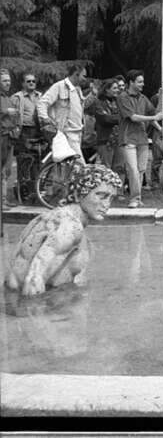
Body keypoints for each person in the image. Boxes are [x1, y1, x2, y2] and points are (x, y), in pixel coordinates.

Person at [4, 164, 123, 296]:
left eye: (111, 198)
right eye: (101, 196)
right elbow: (33, 280)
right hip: (33, 306)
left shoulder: (57, 216)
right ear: (78, 194)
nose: (106, 204)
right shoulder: (70, 227)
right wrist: (36, 313)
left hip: (18, 298)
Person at [117, 69, 163, 208]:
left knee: (141, 170)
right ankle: (134, 199)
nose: (142, 84)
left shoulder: (143, 98)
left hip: (142, 139)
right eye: (140, 82)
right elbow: (133, 117)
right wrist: (155, 118)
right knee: (132, 169)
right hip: (128, 139)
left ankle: (136, 198)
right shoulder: (123, 97)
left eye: (143, 81)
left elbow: (156, 112)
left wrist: (161, 97)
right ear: (131, 82)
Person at [36, 62, 88, 160]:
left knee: (65, 165)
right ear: (76, 74)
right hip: (64, 132)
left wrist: (93, 95)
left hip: (77, 132)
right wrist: (45, 117)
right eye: (83, 76)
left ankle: (47, 174)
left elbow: (80, 109)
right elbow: (42, 103)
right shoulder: (59, 86)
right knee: (79, 165)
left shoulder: (77, 89)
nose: (85, 79)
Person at [87, 78, 124, 179]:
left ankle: (119, 193)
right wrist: (122, 118)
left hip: (119, 139)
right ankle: (105, 193)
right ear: (107, 89)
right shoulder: (99, 103)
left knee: (120, 168)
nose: (118, 90)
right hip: (105, 140)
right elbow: (106, 119)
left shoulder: (118, 102)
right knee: (105, 169)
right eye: (115, 88)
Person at [10, 71, 41, 154]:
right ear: (23, 84)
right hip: (24, 132)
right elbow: (11, 117)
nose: (31, 83)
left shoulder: (41, 96)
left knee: (37, 157)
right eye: (28, 81)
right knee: (24, 157)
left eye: (33, 81)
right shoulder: (16, 97)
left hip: (39, 131)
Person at [1, 69, 17, 206]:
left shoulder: (7, 98)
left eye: (9, 81)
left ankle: (3, 199)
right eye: (4, 81)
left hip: (9, 137)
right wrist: (6, 112)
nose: (8, 83)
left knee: (7, 170)